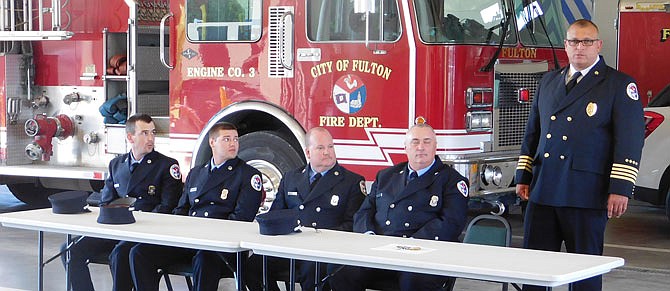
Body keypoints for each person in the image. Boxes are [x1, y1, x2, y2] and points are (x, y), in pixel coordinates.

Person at [515, 19, 645, 291]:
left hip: (586, 193)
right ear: (565, 45)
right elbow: (533, 134)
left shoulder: (618, 85)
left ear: (598, 45)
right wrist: (523, 175)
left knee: (584, 274)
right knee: (534, 270)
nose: (580, 47)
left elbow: (630, 141)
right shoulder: (549, 81)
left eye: (587, 41)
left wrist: (620, 188)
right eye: (574, 41)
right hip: (544, 190)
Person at [328, 123, 469, 291]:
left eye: (427, 142)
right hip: (379, 251)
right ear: (406, 148)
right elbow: (364, 211)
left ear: (435, 147)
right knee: (340, 270)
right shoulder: (386, 176)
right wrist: (369, 235)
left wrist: (412, 245)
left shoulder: (452, 180)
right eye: (415, 142)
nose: (421, 147)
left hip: (423, 253)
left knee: (413, 280)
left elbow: (451, 223)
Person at [130, 122, 264, 290]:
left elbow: (242, 219)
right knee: (139, 253)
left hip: (221, 247)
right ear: (212, 142)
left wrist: (205, 235)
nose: (233, 144)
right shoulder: (197, 172)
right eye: (227, 139)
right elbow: (182, 209)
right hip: (190, 240)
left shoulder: (248, 175)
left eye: (235, 139)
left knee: (204, 259)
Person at [61, 114, 183, 291]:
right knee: (70, 249)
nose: (151, 138)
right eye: (144, 133)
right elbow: (107, 201)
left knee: (121, 253)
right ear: (130, 137)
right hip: (117, 226)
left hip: (146, 230)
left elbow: (168, 206)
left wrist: (138, 221)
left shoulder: (166, 165)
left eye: (153, 133)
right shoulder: (117, 164)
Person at [245, 127, 366, 291]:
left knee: (313, 271)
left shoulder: (351, 182)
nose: (327, 152)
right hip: (290, 246)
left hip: (325, 250)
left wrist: (319, 237)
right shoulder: (291, 178)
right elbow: (275, 216)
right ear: (308, 153)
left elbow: (352, 225)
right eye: (321, 148)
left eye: (330, 147)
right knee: (251, 267)